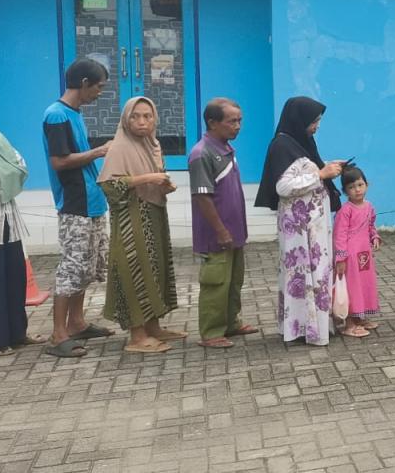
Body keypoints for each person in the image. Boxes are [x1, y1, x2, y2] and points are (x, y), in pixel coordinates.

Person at [255, 96, 344, 346]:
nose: (316, 126)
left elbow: (309, 169)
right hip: (298, 228)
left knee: (318, 272)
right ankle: (302, 328)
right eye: (314, 121)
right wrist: (321, 175)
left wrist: (329, 169)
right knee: (302, 272)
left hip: (314, 224)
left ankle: (315, 326)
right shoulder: (282, 145)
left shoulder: (302, 141)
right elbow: (283, 186)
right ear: (300, 119)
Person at [98, 97, 184, 354]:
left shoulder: (152, 145)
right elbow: (109, 185)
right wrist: (148, 178)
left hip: (153, 214)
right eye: (135, 116)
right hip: (131, 219)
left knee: (155, 269)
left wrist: (163, 184)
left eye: (148, 116)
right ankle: (137, 337)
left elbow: (155, 178)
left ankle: (153, 327)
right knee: (134, 271)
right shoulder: (120, 146)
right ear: (126, 119)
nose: (142, 122)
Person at [42, 58, 115, 358]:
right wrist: (99, 151)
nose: (99, 93)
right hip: (75, 203)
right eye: (98, 87)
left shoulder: (75, 113)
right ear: (84, 83)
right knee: (72, 266)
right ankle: (58, 335)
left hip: (92, 201)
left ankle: (77, 322)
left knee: (88, 265)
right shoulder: (56, 115)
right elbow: (59, 161)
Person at [189, 98, 255, 349]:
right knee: (215, 283)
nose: (237, 126)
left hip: (234, 232)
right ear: (213, 123)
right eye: (231, 121)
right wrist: (220, 230)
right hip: (216, 235)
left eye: (239, 121)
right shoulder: (202, 154)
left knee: (233, 281)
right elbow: (202, 197)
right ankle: (211, 332)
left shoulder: (226, 149)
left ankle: (231, 323)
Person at [0, 91, 41, 357]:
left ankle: (17, 334)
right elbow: (1, 174)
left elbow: (20, 166)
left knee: (14, 276)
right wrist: (2, 174)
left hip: (7, 219)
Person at [334, 165, 382, 337]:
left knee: (363, 284)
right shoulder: (345, 211)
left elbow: (371, 226)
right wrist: (340, 259)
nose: (357, 190)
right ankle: (349, 324)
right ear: (345, 191)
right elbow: (339, 235)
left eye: (360, 185)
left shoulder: (369, 207)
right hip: (350, 257)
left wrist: (374, 237)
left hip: (364, 254)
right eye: (351, 187)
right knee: (351, 287)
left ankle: (360, 318)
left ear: (367, 185)